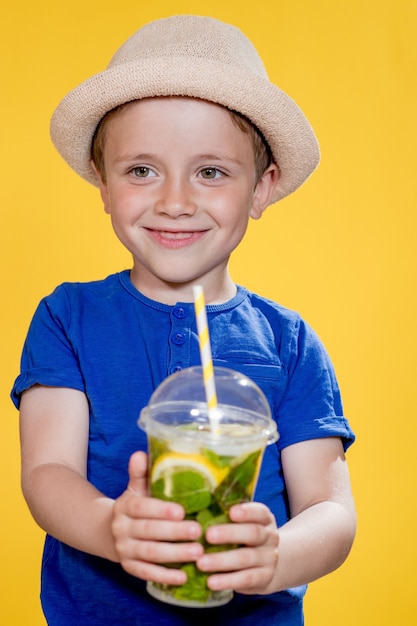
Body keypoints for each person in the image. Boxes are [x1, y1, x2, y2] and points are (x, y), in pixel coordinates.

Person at [11, 14, 356, 626]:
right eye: (141, 170)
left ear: (261, 188)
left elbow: (331, 512)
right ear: (103, 184)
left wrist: (275, 557)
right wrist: (112, 527)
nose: (175, 200)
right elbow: (47, 472)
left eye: (211, 171)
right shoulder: (67, 317)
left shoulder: (289, 342)